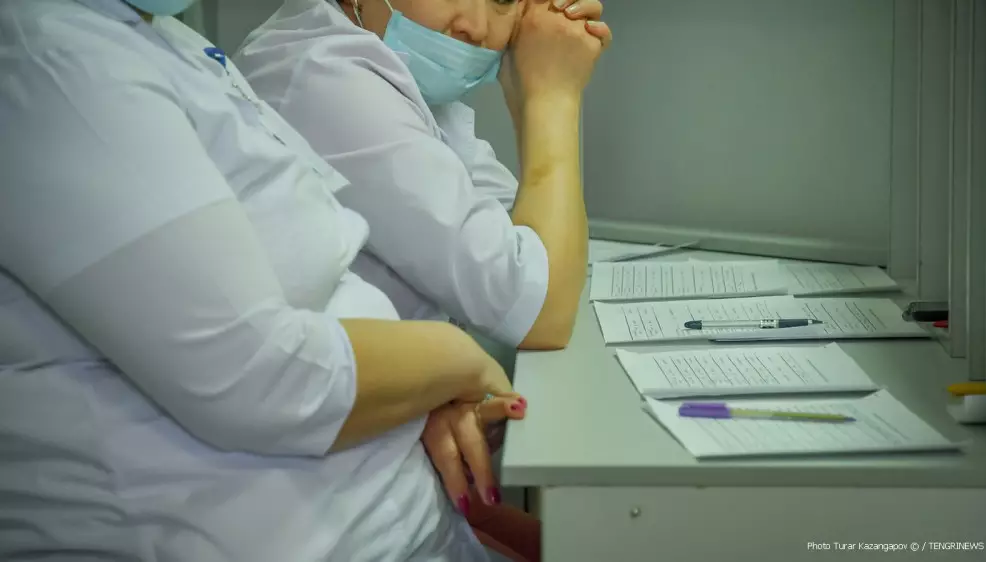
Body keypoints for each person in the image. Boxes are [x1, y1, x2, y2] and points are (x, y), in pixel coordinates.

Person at [0, 0, 529, 560]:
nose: (474, 24)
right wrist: (451, 362)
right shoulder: (50, 63)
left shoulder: (169, 43)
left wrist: (409, 397)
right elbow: (253, 376)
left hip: (403, 515)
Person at [236, 0, 611, 352]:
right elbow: (538, 313)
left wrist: (526, 87)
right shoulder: (326, 76)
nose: (476, 27)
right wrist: (552, 95)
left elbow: (540, 250)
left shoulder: (396, 79)